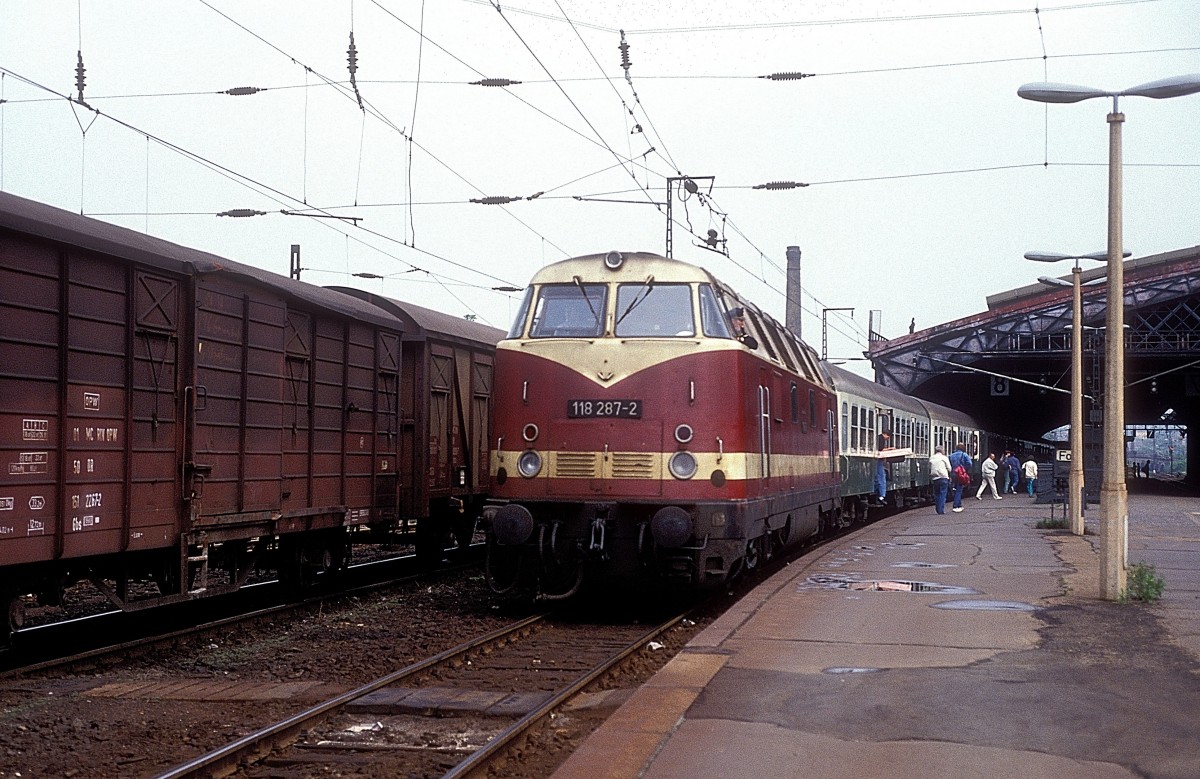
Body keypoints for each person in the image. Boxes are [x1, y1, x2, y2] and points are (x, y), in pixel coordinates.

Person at [948, 443, 972, 513]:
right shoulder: (964, 455)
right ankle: (956, 505)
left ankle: (959, 504)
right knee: (959, 489)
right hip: (960, 473)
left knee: (955, 489)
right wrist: (964, 469)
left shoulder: (951, 455)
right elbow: (969, 463)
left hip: (953, 473)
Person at [929, 445, 951, 515]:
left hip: (935, 478)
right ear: (942, 451)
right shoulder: (944, 458)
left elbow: (929, 467)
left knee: (937, 494)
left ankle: (938, 508)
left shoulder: (931, 458)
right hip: (943, 477)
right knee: (943, 494)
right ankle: (941, 510)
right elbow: (949, 468)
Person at [874, 430, 892, 506]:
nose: (888, 439)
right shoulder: (880, 438)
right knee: (881, 477)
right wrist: (890, 449)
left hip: (878, 460)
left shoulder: (878, 437)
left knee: (880, 476)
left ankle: (881, 495)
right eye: (888, 437)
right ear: (886, 435)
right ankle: (882, 496)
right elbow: (880, 449)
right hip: (878, 460)